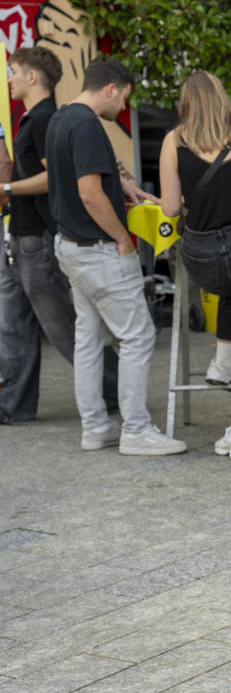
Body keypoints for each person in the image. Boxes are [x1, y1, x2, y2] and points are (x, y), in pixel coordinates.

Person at [47, 57, 187, 455]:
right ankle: (136, 430)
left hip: (71, 246)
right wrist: (122, 238)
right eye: (124, 97)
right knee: (138, 336)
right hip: (100, 250)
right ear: (111, 87)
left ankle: (96, 427)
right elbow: (90, 193)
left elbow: (83, 176)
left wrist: (124, 186)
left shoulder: (63, 118)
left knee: (88, 338)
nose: (123, 107)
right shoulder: (89, 125)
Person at [157, 71, 231, 461]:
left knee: (230, 281)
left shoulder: (173, 142)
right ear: (223, 99)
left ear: (186, 102)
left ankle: (223, 360)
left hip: (203, 258)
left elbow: (171, 208)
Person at [0, 45, 119, 423]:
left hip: (37, 239)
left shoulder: (46, 119)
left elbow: (56, 177)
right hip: (20, 238)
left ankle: (117, 390)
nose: (8, 79)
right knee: (13, 328)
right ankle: (13, 408)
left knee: (66, 329)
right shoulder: (33, 117)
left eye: (13, 71)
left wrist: (7, 190)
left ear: (32, 76)